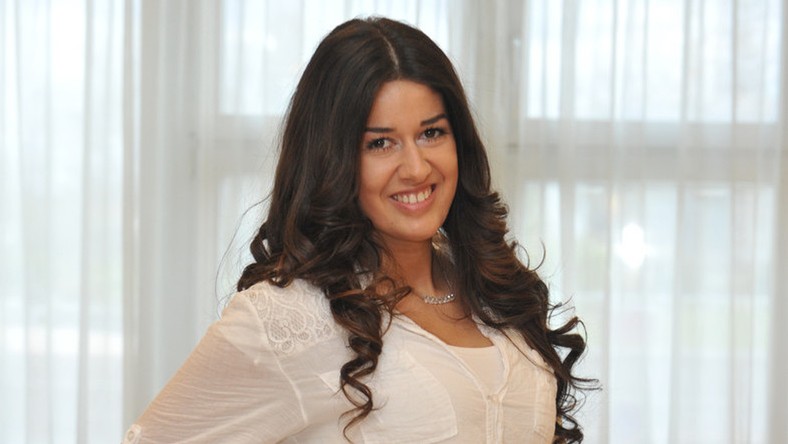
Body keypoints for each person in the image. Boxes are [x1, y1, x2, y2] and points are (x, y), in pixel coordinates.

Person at [123, 16, 592, 444]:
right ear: (333, 160)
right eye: (380, 143)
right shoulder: (291, 316)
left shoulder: (497, 290)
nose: (416, 167)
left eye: (431, 133)